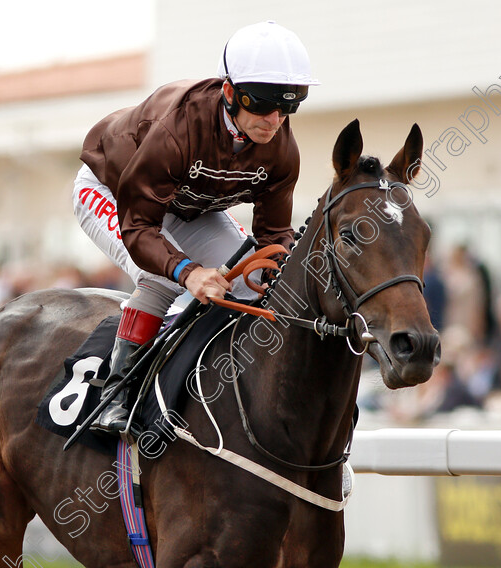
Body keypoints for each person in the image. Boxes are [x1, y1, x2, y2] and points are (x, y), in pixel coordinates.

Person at [72, 21, 319, 433]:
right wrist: (189, 272)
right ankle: (115, 395)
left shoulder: (282, 150)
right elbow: (138, 227)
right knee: (165, 277)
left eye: (289, 106)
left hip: (189, 206)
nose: (274, 120)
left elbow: (275, 239)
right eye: (262, 104)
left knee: (252, 281)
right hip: (116, 192)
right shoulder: (177, 129)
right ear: (229, 92)